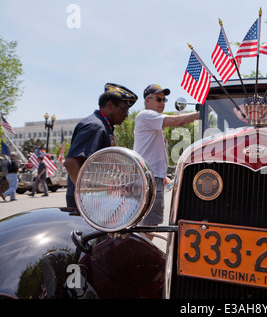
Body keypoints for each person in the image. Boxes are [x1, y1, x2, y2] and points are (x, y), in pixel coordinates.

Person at [134, 84, 199, 225]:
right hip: (148, 178)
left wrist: (163, 176)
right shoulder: (146, 116)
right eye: (158, 99)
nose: (162, 103)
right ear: (147, 101)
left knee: (149, 223)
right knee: (148, 225)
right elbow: (178, 121)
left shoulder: (153, 122)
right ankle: (140, 247)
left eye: (164, 100)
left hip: (153, 177)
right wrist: (202, 112)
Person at [64, 83, 138, 208]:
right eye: (124, 109)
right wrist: (87, 194)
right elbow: (71, 163)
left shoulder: (105, 126)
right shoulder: (95, 126)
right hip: (87, 201)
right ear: (109, 105)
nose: (126, 115)